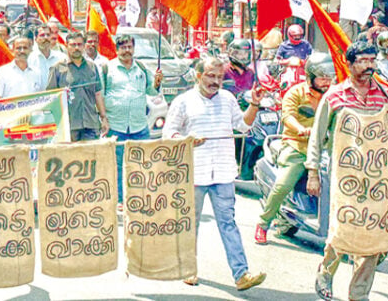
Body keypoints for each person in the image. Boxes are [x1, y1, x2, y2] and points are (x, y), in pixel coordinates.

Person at [305, 41, 388, 301]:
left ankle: (359, 293)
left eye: (372, 60)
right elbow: (317, 135)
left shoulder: (386, 95)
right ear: (349, 63)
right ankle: (326, 270)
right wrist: (313, 171)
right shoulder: (334, 96)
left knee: (375, 236)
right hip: (346, 179)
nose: (370, 66)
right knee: (343, 231)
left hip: (380, 180)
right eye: (363, 61)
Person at [162, 56, 267, 291]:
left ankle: (241, 275)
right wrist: (187, 140)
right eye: (210, 76)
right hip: (194, 172)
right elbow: (169, 134)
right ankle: (188, 268)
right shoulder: (183, 101)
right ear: (198, 76)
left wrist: (255, 104)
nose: (215, 81)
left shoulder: (228, 99)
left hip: (223, 171)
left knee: (228, 223)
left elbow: (243, 125)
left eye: (219, 77)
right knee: (191, 223)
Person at [254, 53, 335, 244]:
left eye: (329, 77)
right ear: (311, 77)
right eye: (322, 78)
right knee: (283, 185)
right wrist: (301, 129)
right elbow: (287, 116)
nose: (326, 82)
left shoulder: (334, 95)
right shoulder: (296, 92)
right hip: (298, 146)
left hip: (327, 148)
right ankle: (263, 224)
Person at [103, 34, 163, 205]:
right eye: (123, 47)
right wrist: (104, 119)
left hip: (139, 126)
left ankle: (139, 198)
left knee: (141, 164)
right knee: (117, 166)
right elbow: (100, 94)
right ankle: (120, 200)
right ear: (116, 50)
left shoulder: (142, 69)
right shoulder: (108, 68)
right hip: (116, 125)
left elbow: (151, 92)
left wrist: (157, 84)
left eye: (129, 47)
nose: (126, 51)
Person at [46, 32, 109, 141]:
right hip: (68, 126)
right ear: (66, 46)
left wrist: (104, 118)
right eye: (73, 45)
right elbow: (50, 98)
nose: (76, 48)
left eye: (79, 45)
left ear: (84, 46)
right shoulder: (57, 69)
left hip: (90, 124)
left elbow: (97, 94)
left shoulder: (92, 67)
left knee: (90, 157)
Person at [28, 24, 67, 90]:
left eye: (48, 35)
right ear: (36, 39)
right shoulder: (30, 59)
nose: (46, 38)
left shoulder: (61, 57)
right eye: (42, 35)